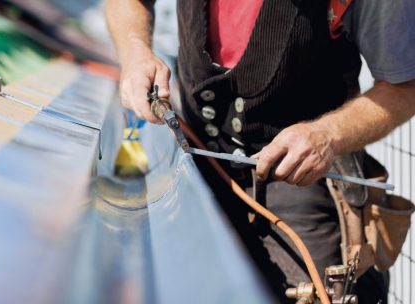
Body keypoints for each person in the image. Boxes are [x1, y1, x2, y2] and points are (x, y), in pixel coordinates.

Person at [106, 0, 415, 302]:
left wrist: (327, 135)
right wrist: (135, 52)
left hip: (303, 180)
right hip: (198, 171)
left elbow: (404, 88)